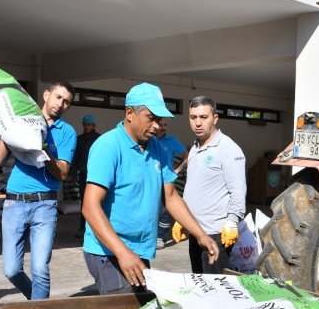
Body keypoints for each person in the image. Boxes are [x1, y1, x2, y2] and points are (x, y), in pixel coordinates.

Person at [81, 83, 217, 295]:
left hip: (139, 249)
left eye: (159, 119)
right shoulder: (108, 146)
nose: (156, 125)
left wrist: (200, 234)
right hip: (109, 251)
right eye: (151, 118)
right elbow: (90, 207)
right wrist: (122, 253)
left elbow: (171, 197)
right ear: (129, 113)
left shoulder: (157, 148)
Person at [0, 80, 76, 300]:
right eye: (58, 97)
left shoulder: (67, 132)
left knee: (40, 269)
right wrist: (10, 130)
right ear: (46, 95)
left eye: (67, 102)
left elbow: (63, 173)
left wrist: (43, 148)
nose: (61, 104)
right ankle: (36, 304)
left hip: (45, 204)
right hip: (14, 203)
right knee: (11, 270)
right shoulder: (22, 122)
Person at [173, 96, 247, 274]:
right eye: (193, 117)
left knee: (217, 291)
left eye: (203, 117)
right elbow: (195, 188)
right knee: (200, 287)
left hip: (216, 234)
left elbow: (238, 190)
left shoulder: (228, 149)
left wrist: (232, 221)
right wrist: (182, 219)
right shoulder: (195, 147)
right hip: (195, 231)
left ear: (215, 118)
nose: (198, 123)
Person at [153, 117, 187, 249]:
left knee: (163, 211)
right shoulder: (149, 139)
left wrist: (177, 169)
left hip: (166, 181)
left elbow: (186, 155)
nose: (162, 127)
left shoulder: (172, 141)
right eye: (160, 124)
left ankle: (162, 237)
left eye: (165, 125)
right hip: (151, 180)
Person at [72, 114, 101, 238]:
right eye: (85, 124)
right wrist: (74, 175)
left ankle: (96, 229)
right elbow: (75, 158)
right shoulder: (79, 139)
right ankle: (82, 228)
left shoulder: (99, 139)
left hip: (97, 176)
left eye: (89, 124)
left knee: (96, 202)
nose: (86, 126)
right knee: (84, 202)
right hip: (84, 176)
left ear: (94, 125)